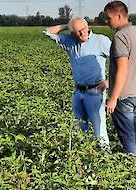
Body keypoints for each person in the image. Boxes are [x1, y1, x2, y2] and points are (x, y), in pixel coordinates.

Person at [43, 17, 111, 146]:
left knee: (99, 131)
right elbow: (48, 31)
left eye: (83, 29)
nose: (82, 33)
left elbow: (120, 60)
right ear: (72, 33)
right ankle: (83, 159)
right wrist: (67, 25)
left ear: (88, 27)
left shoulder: (101, 41)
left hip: (95, 92)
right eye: (78, 31)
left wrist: (109, 81)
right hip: (78, 92)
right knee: (79, 130)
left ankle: (104, 158)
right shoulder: (70, 42)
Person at [104, 1, 136, 164]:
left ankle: (133, 177)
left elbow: (122, 69)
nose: (107, 21)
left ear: (119, 16)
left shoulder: (119, 37)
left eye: (108, 18)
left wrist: (113, 98)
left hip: (124, 97)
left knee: (128, 139)